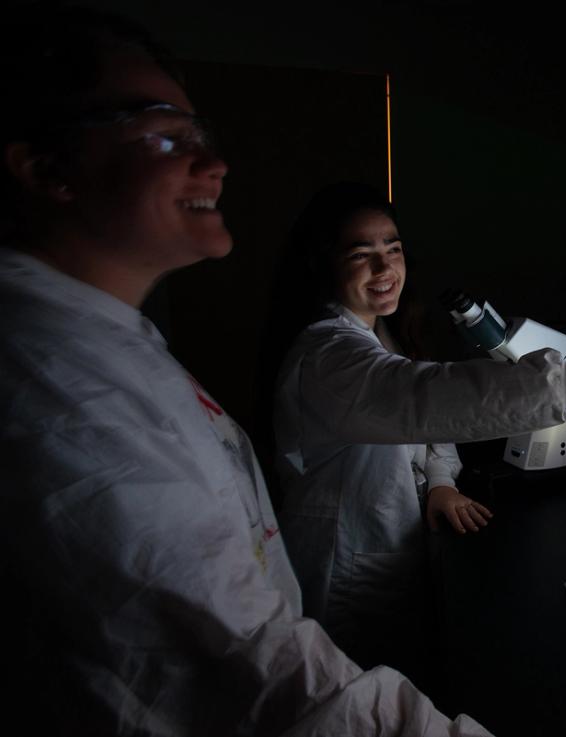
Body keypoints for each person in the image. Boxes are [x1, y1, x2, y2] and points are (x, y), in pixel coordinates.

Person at [0, 5, 492, 735]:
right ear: (48, 168)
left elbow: (418, 418)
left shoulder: (117, 346)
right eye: (164, 129)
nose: (215, 163)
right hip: (340, 588)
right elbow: (260, 674)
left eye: (394, 247)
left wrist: (442, 477)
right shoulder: (65, 399)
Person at [269, 182, 566, 684]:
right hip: (344, 573)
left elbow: (429, 425)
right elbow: (423, 399)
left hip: (388, 548)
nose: (384, 269)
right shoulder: (328, 353)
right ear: (324, 263)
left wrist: (440, 481)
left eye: (392, 249)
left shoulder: (378, 332)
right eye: (361, 254)